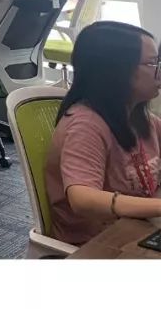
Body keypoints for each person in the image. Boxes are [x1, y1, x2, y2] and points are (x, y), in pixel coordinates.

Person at [45, 21, 161, 246]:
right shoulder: (86, 125)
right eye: (152, 63)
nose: (158, 71)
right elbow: (82, 199)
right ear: (116, 70)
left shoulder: (140, 117)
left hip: (141, 227)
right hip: (98, 243)